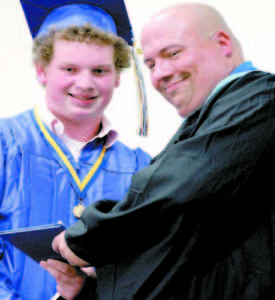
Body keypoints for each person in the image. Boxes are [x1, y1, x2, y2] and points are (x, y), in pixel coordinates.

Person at [43, 2, 275, 300]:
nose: (161, 73)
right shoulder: (212, 121)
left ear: (222, 44)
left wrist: (88, 237)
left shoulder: (260, 100)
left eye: (173, 53)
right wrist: (93, 284)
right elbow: (181, 245)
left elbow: (177, 191)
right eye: (150, 64)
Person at [0, 1, 151, 299]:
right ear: (43, 71)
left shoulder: (139, 168)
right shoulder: (6, 144)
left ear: (117, 77)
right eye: (69, 68)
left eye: (99, 70)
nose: (85, 83)